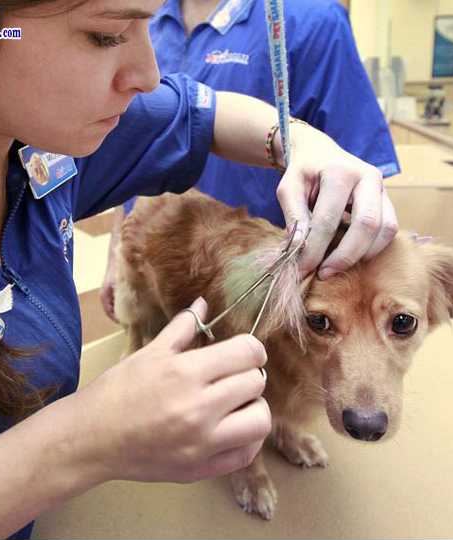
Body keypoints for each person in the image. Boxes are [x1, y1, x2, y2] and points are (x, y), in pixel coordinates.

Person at [0, 0, 397, 538]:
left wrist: (301, 143)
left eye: (148, 21)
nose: (149, 75)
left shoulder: (38, 129)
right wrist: (84, 442)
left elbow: (199, 113)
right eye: (105, 35)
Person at [100, 0, 400, 322]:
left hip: (256, 297)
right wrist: (117, 254)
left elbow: (358, 181)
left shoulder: (311, 19)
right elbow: (134, 145)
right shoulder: (144, 14)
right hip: (153, 263)